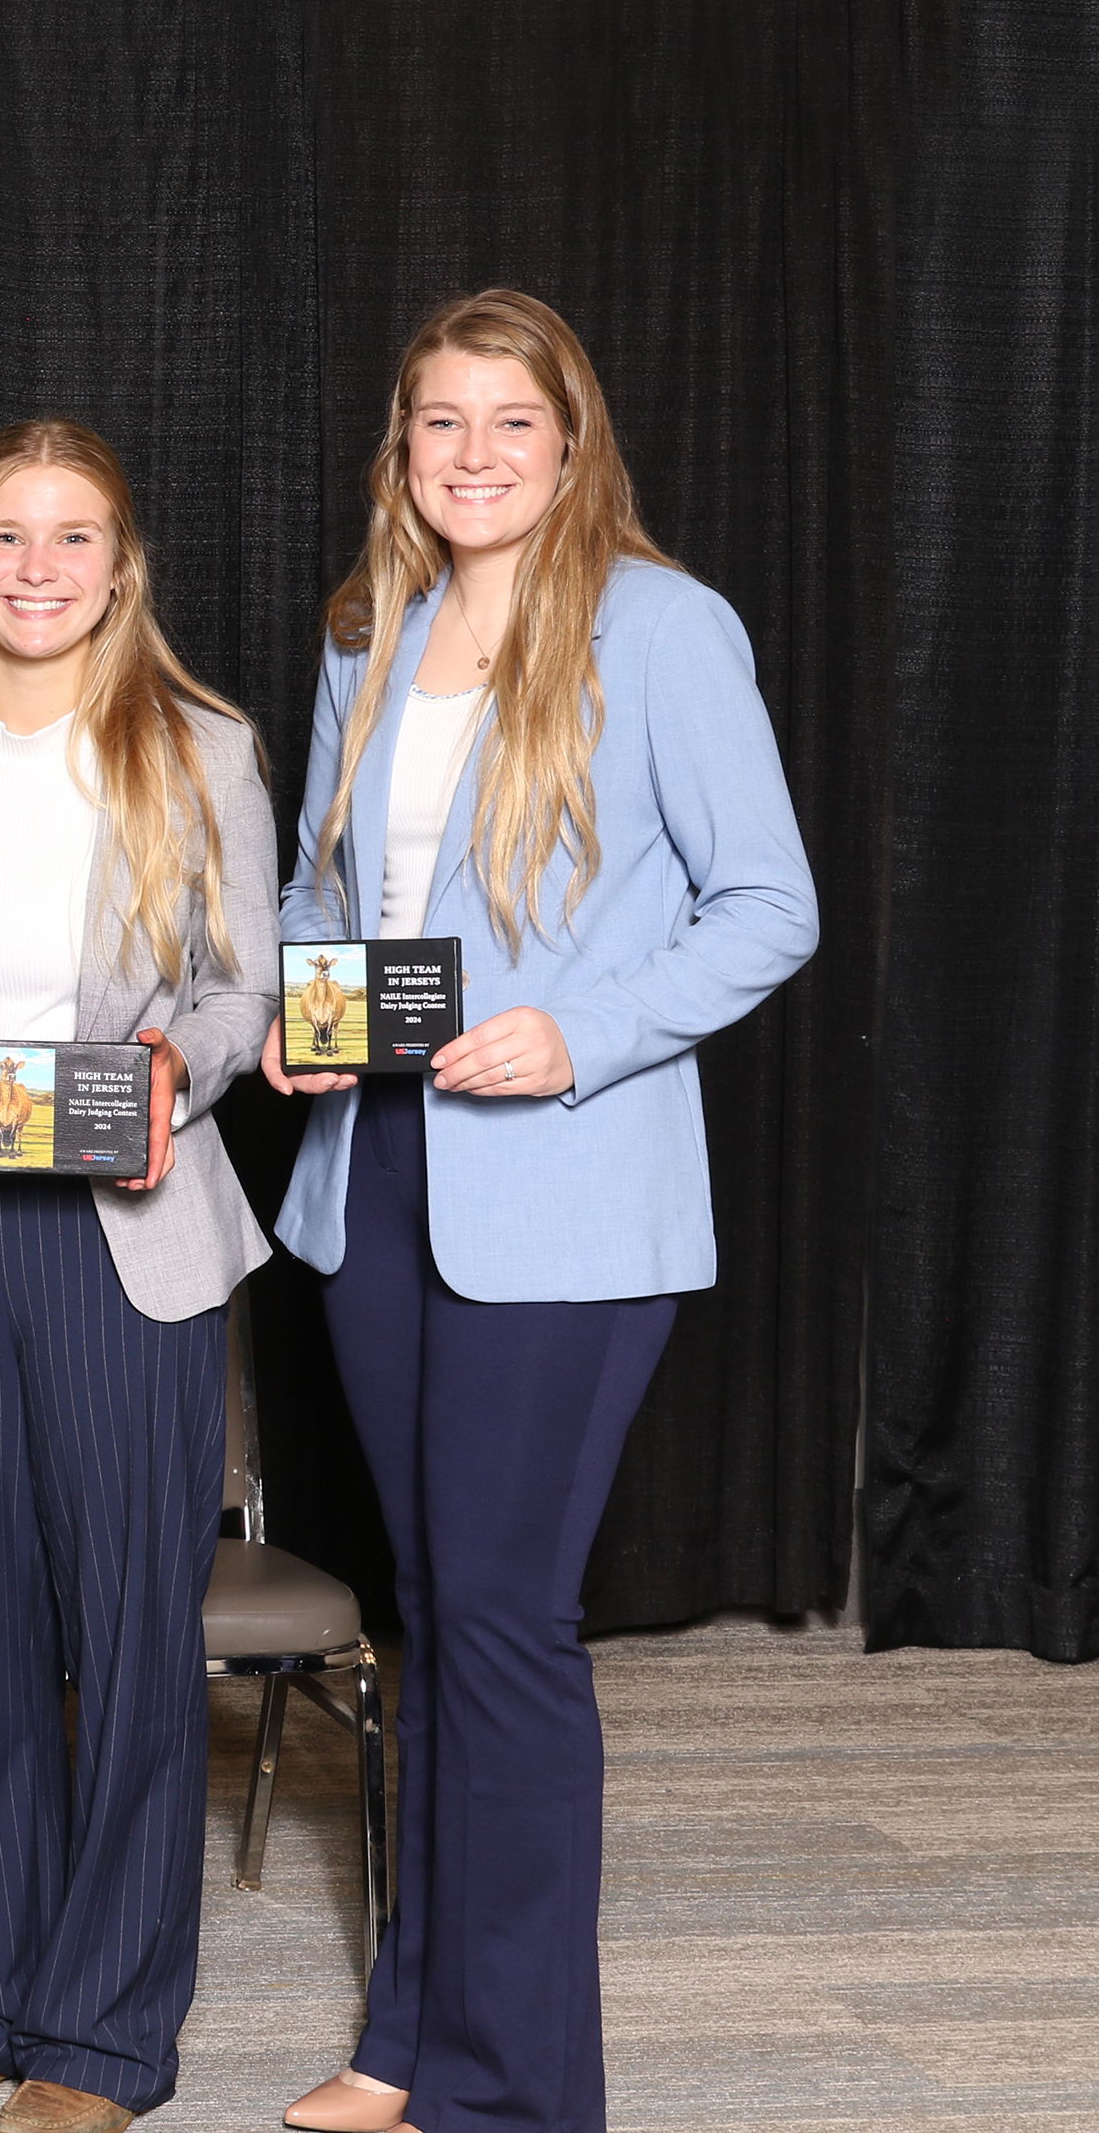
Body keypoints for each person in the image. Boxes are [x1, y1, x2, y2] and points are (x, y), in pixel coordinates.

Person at [264, 291, 816, 2133]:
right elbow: (319, 891)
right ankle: (412, 2041)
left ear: (573, 444)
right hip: (378, 1185)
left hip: (566, 1192)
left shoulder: (663, 628)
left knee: (501, 1621)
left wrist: (573, 1034)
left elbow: (767, 907)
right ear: (401, 450)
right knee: (436, 1618)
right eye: (441, 424)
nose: (475, 455)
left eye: (512, 423)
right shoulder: (373, 631)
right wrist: (300, 1009)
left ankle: (517, 2093)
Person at [0, 423, 280, 2133]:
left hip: (132, 1229)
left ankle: (105, 2035)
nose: (38, 569)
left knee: (126, 1627)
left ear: (122, 562)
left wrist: (174, 1074)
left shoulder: (204, 744)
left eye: (74, 537)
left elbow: (241, 989)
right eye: (5, 538)